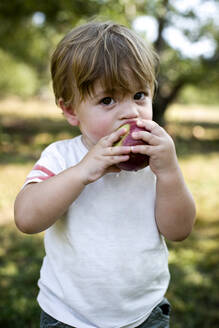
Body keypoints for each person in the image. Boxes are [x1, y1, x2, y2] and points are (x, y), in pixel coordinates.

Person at [14, 21, 196, 328]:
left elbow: (179, 231)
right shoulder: (63, 157)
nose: (131, 113)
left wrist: (169, 172)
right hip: (69, 317)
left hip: (143, 314)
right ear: (71, 110)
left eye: (139, 95)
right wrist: (82, 172)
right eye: (108, 100)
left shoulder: (155, 162)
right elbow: (26, 219)